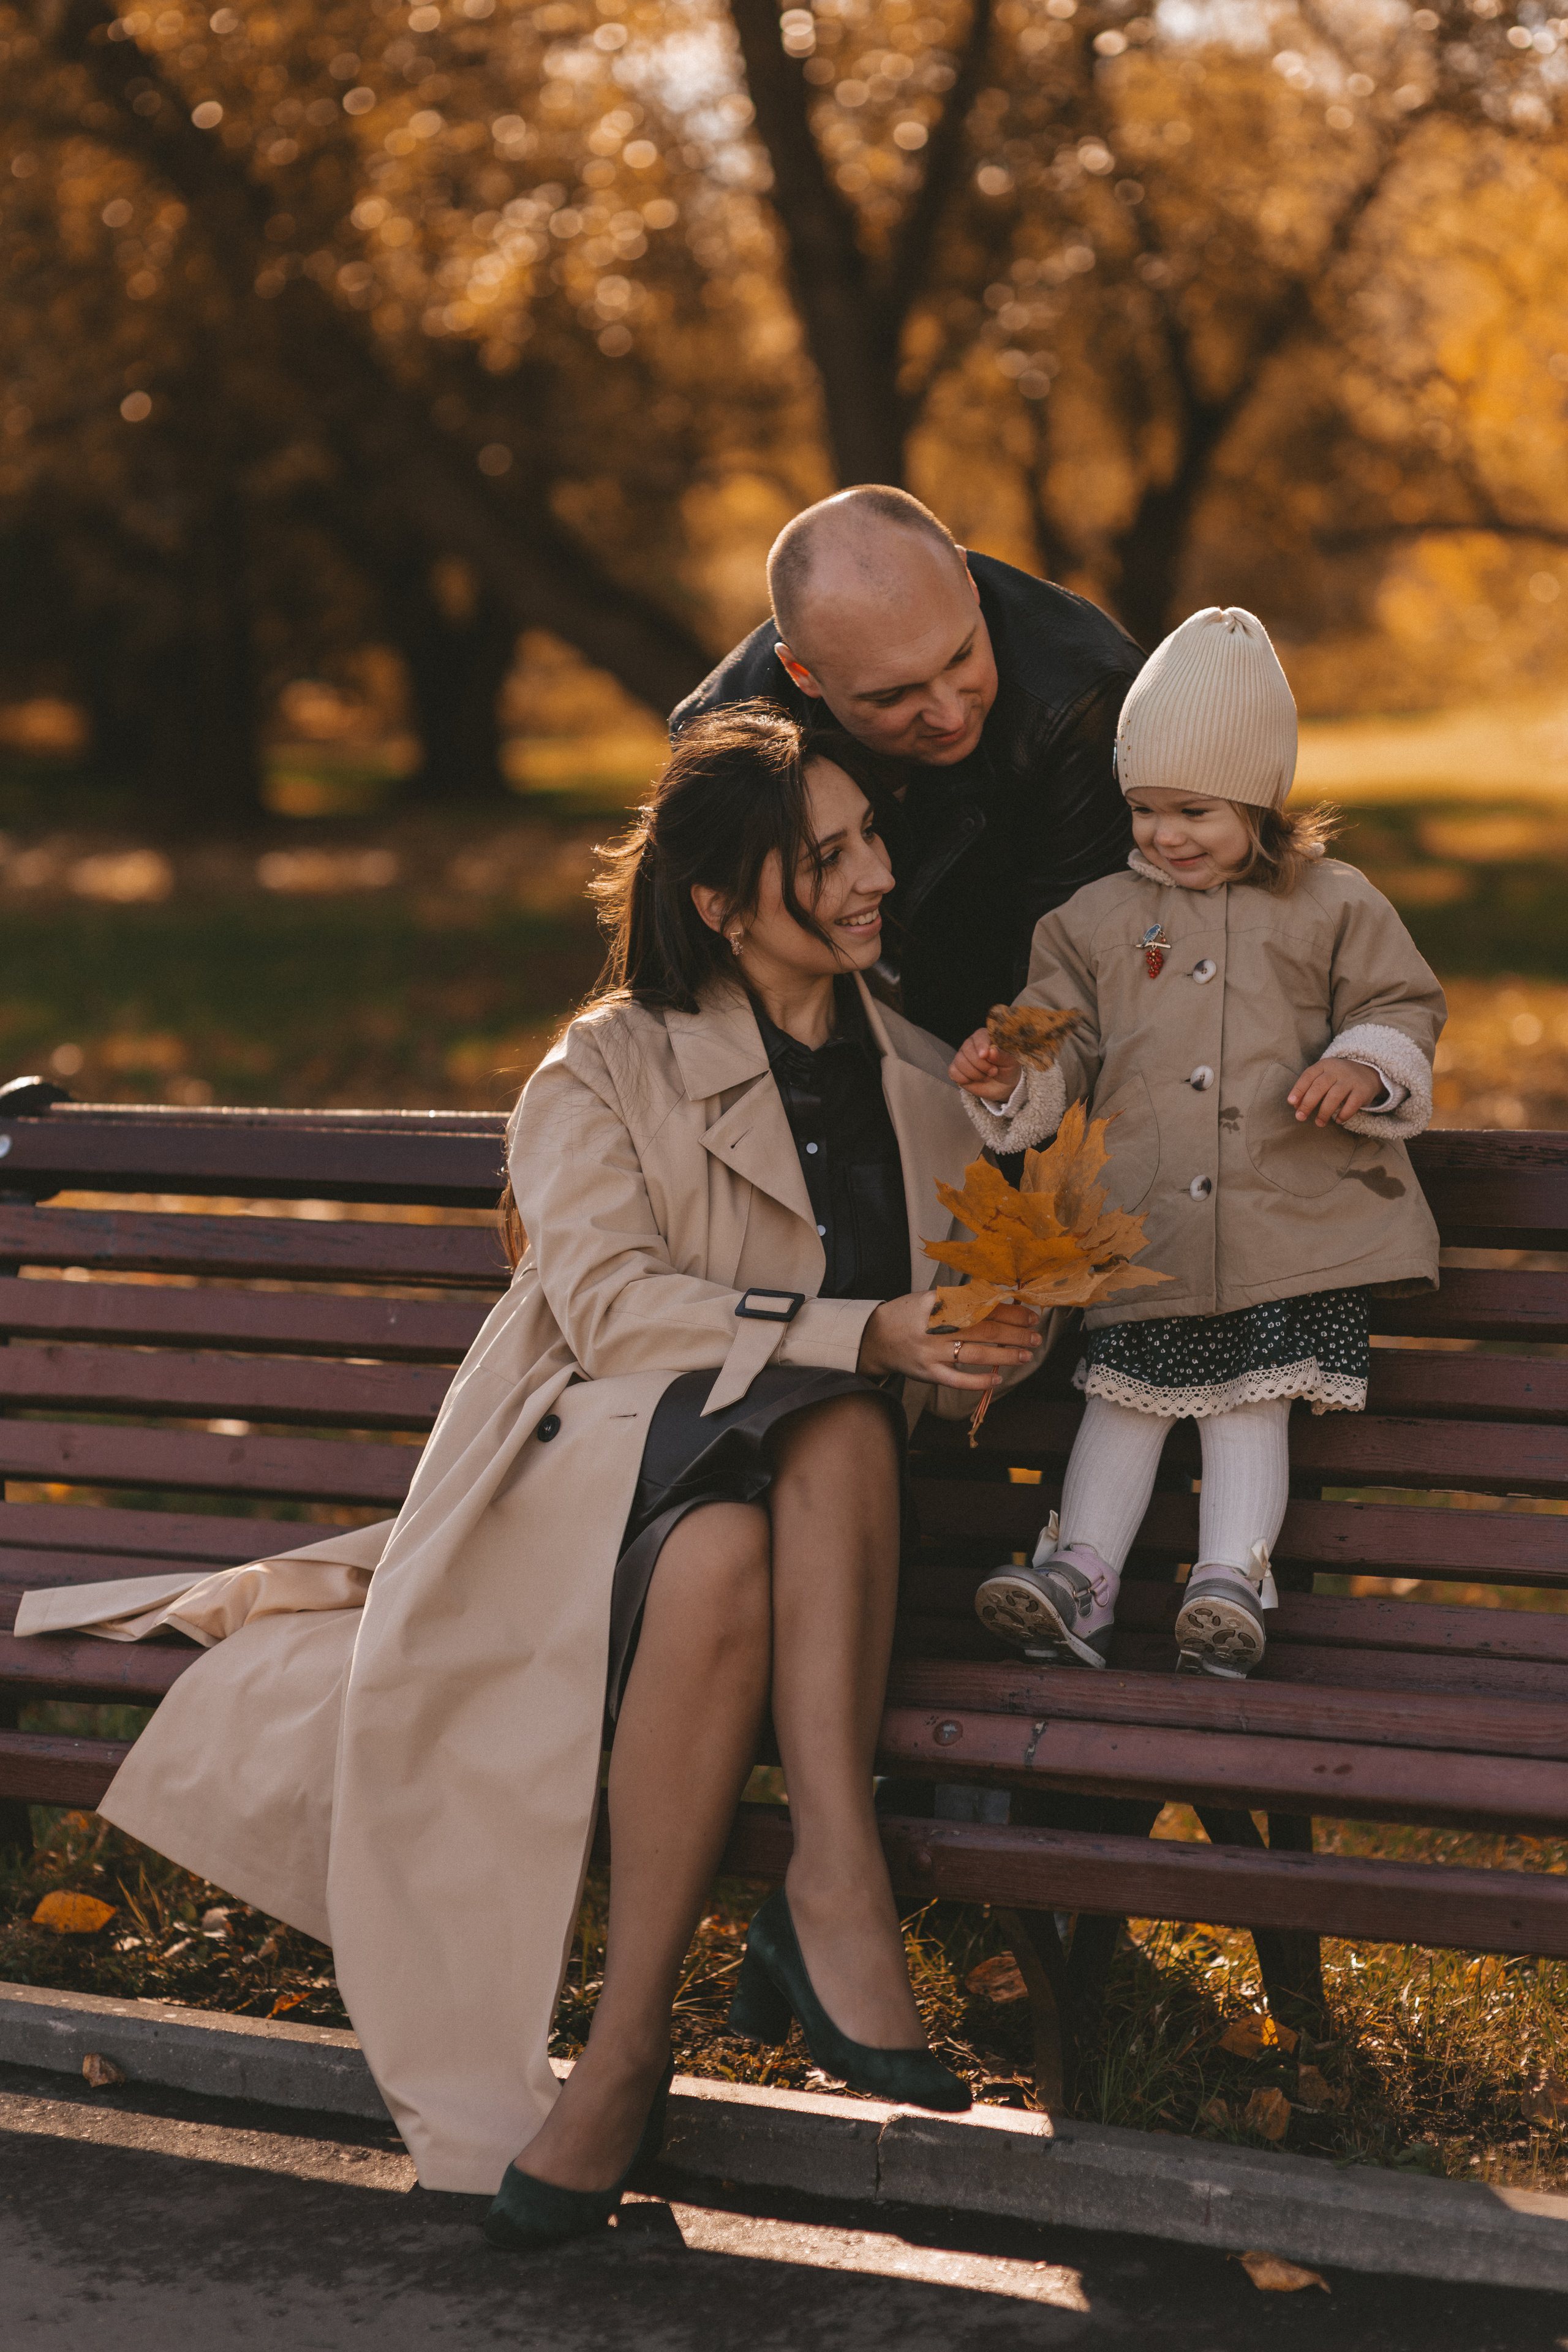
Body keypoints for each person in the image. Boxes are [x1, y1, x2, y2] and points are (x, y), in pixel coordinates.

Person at [16, 704, 1044, 2241]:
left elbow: (950, 1322)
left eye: (868, 838)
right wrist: (866, 1333)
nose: (868, 875)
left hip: (793, 1546)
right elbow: (614, 1311)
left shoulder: (914, 1076)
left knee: (792, 1469)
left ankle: (629, 2048)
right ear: (715, 900)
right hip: (586, 1505)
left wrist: (985, 1336)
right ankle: (827, 1893)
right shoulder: (604, 1068)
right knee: (812, 1415)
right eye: (820, 855)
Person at [950, 607, 1445, 1681]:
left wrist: (1365, 1064)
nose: (1166, 835)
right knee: (1121, 1400)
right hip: (1146, 1227)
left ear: (1260, 800)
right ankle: (1077, 1575)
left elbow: (1402, 1002)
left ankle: (1233, 1578)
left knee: (1249, 1404)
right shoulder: (1091, 919)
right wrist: (1013, 1069)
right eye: (1145, 809)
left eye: (1195, 811)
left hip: (1284, 1224)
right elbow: (1056, 1035)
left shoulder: (1333, 905)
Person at [670, 486, 1144, 1048]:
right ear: (803, 674)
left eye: (961, 656)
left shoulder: (1086, 704)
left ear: (967, 584)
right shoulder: (725, 738)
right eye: (892, 696)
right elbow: (703, 972)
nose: (948, 713)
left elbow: (1084, 964)